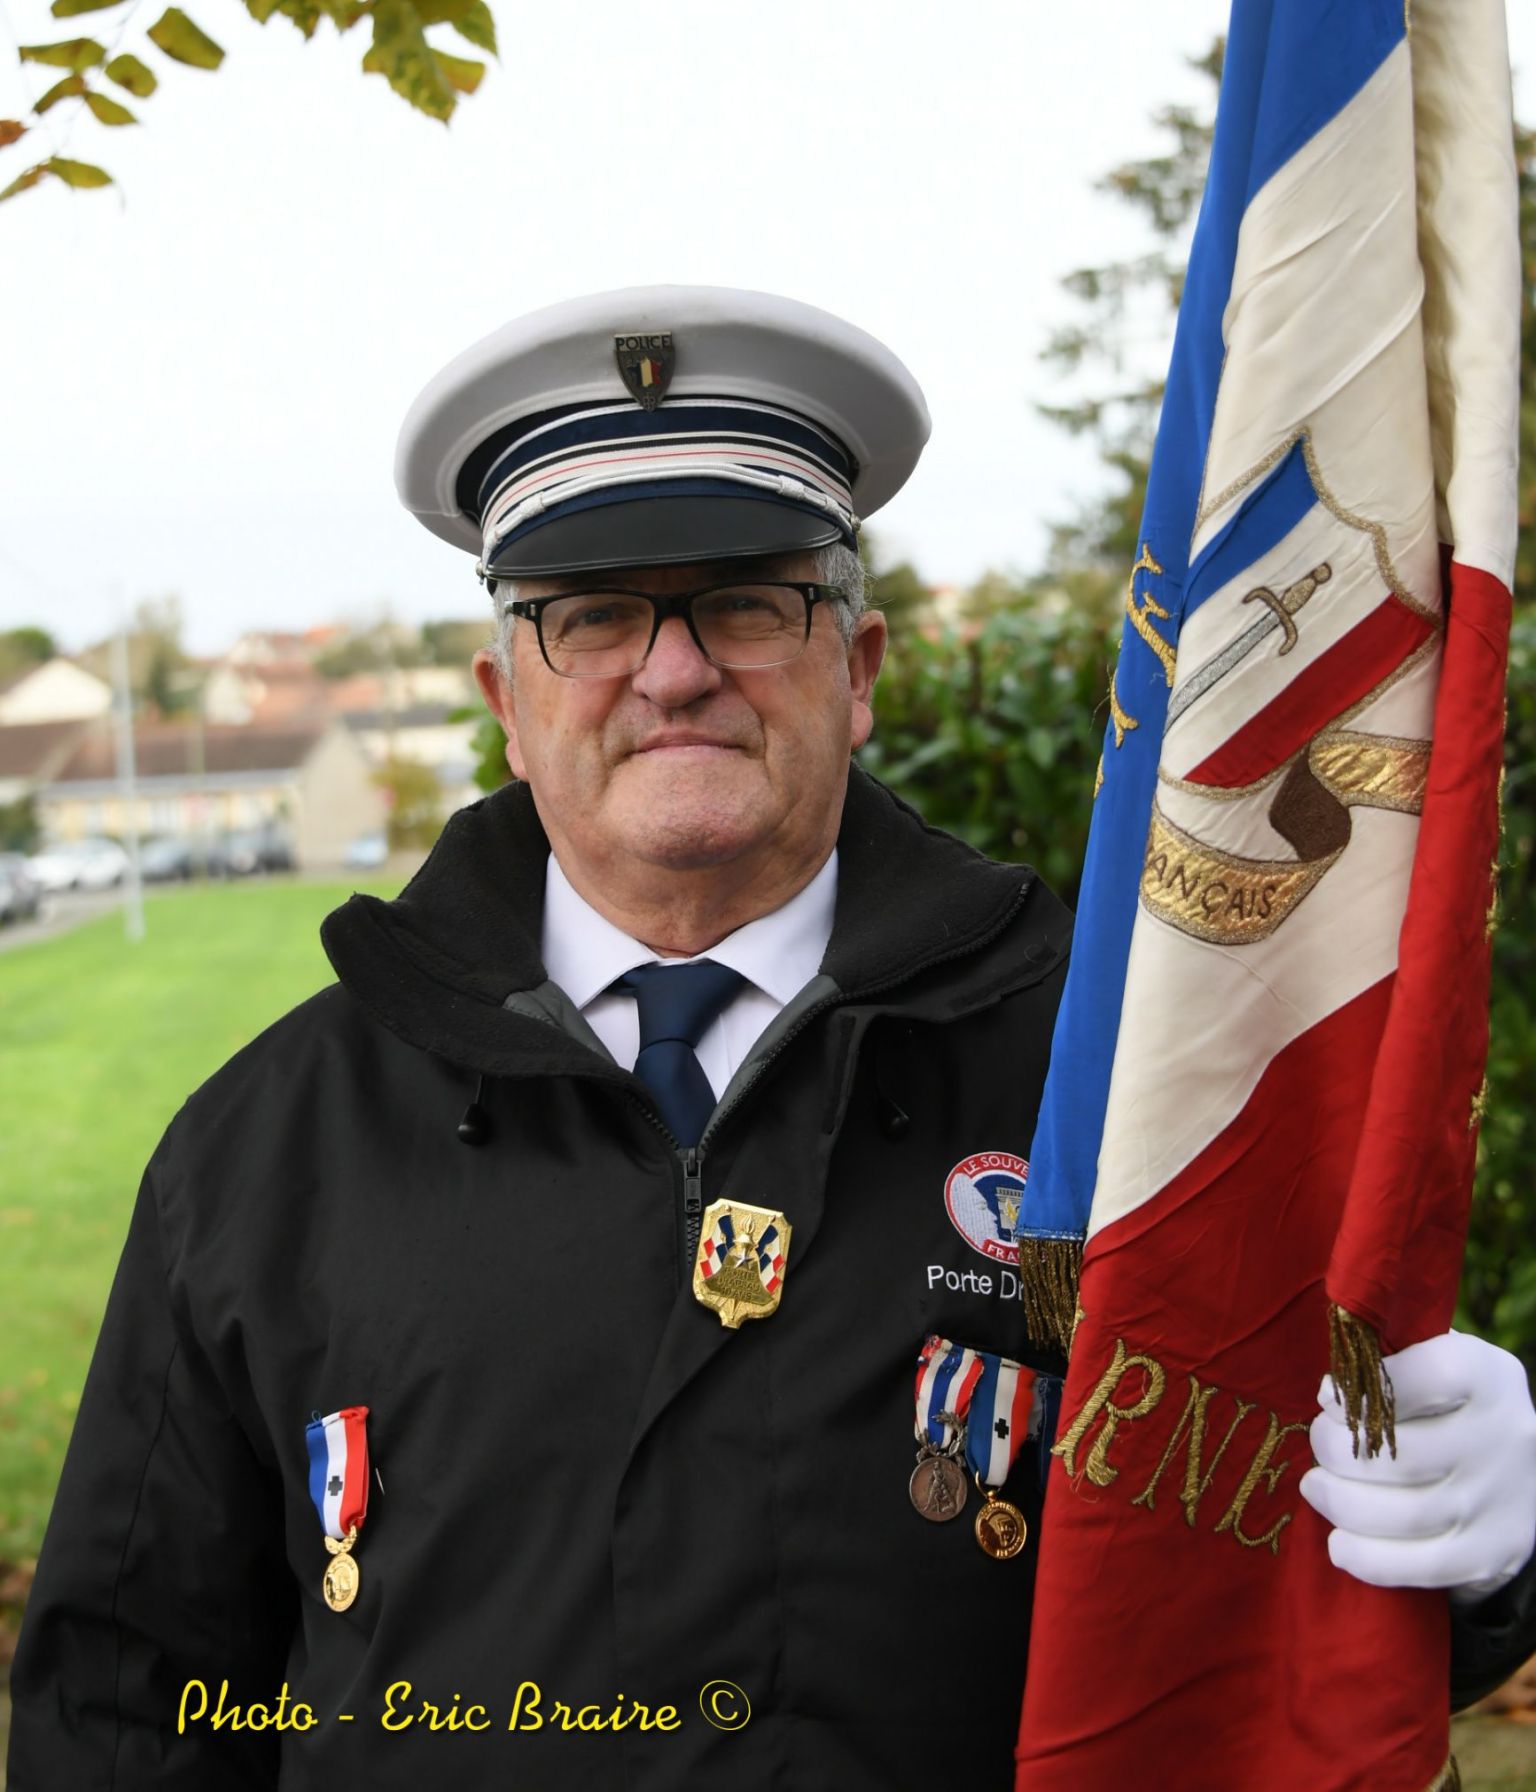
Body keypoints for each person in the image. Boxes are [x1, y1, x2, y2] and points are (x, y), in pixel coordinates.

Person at [9, 285, 1536, 1790]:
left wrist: (1475, 1560)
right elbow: (128, 1708)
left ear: (856, 672)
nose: (674, 671)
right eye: (592, 615)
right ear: (506, 706)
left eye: (748, 601)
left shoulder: (1121, 1081)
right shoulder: (265, 1152)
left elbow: (1275, 1620)